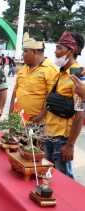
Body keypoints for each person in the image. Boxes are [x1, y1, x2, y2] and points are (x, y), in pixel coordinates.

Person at [44, 31, 85, 178]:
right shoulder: (60, 73)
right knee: (48, 176)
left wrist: (70, 145)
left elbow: (80, 113)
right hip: (49, 133)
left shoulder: (78, 76)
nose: (55, 52)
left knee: (64, 180)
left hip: (62, 139)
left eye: (59, 48)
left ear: (71, 50)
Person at [9, 33, 58, 122]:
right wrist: (10, 114)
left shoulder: (51, 70)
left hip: (35, 124)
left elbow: (52, 99)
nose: (22, 54)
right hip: (16, 120)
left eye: (25, 51)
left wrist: (39, 118)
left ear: (35, 52)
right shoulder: (23, 68)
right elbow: (15, 93)